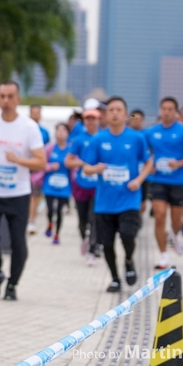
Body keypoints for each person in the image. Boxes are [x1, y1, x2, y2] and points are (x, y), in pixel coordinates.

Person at [0, 81, 46, 301]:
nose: (6, 101)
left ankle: (13, 284)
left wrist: (18, 160)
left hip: (18, 194)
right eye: (2, 96)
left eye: (10, 96)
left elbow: (41, 162)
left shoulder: (29, 127)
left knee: (17, 242)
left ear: (18, 99)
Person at [83, 96, 153, 293]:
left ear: (125, 114)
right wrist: (95, 169)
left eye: (118, 110)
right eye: (111, 110)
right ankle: (114, 278)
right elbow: (86, 168)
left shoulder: (136, 138)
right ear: (106, 115)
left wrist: (139, 180)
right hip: (105, 202)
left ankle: (129, 260)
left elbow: (149, 161)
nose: (114, 113)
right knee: (106, 243)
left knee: (128, 235)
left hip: (129, 198)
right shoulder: (98, 139)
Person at [143, 97, 183, 269]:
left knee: (176, 220)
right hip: (158, 180)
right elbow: (144, 153)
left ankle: (174, 234)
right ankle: (163, 255)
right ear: (160, 110)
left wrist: (179, 163)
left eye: (170, 109)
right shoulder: (151, 132)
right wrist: (149, 165)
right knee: (159, 215)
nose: (166, 112)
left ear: (175, 112)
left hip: (178, 180)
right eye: (164, 109)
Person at [65, 108, 100, 265]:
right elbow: (68, 161)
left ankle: (92, 250)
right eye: (88, 119)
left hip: (98, 186)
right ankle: (85, 239)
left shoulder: (102, 137)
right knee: (82, 220)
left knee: (94, 218)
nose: (90, 122)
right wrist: (82, 163)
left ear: (98, 120)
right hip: (81, 185)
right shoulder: (79, 139)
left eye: (93, 119)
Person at [43, 123, 72, 244]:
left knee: (59, 210)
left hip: (64, 186)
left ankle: (57, 235)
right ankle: (50, 223)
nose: (60, 132)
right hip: (49, 184)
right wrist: (50, 167)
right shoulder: (49, 148)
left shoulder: (71, 149)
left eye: (63, 130)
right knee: (50, 209)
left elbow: (75, 166)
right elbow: (41, 164)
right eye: (58, 130)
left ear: (68, 133)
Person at [27, 105, 50, 234]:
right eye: (33, 113)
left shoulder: (45, 132)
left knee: (34, 196)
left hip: (37, 169)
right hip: (24, 166)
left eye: (37, 113)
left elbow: (47, 151)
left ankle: (31, 221)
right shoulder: (24, 129)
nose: (35, 115)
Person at [128, 109, 150, 214]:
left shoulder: (147, 134)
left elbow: (153, 151)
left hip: (143, 173)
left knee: (142, 203)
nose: (136, 120)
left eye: (138, 119)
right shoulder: (125, 134)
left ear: (143, 120)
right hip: (128, 173)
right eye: (134, 118)